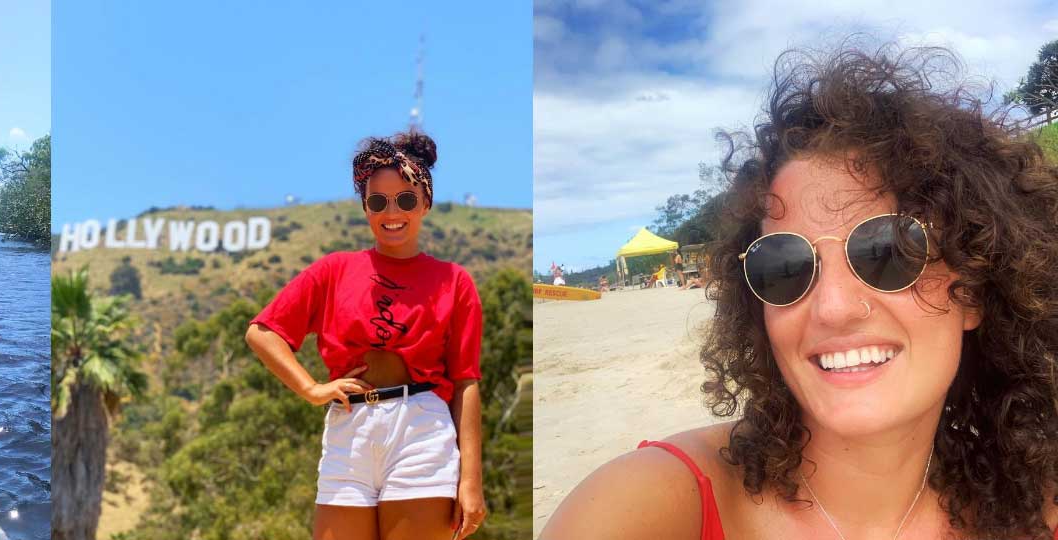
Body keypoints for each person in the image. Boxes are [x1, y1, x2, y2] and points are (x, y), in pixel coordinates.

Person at [544, 44, 1058, 539]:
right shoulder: (654, 503)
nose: (833, 308)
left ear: (972, 288)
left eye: (889, 250)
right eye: (784, 266)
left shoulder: (1035, 512)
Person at [246, 131, 487, 540]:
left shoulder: (454, 281)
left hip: (420, 431)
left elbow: (466, 383)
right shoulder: (334, 270)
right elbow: (262, 333)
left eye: (406, 199)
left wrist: (471, 481)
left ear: (425, 202)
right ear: (366, 208)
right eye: (378, 202)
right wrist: (310, 389)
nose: (392, 211)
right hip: (349, 430)